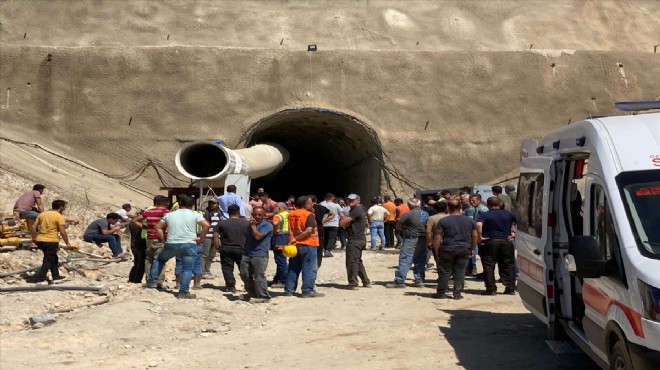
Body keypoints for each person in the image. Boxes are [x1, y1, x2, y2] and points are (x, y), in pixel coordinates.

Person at [147, 196, 210, 299]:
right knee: (187, 268)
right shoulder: (195, 214)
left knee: (159, 260)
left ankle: (152, 281)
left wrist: (163, 240)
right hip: (189, 244)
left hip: (172, 243)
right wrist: (200, 238)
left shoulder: (170, 215)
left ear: (180, 204)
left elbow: (157, 227)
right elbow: (206, 225)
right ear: (192, 205)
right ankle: (183, 292)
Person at [433, 198, 477, 299]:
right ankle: (457, 293)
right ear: (460, 207)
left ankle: (441, 292)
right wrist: (472, 248)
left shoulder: (443, 220)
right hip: (464, 248)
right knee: (460, 271)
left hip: (448, 247)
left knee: (445, 270)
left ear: (448, 208)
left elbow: (437, 236)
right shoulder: (470, 221)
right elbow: (474, 236)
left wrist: (436, 250)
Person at [476, 197, 517, 295]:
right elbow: (523, 222)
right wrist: (516, 233)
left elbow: (478, 224)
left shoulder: (485, 215)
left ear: (487, 205)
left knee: (489, 265)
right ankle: (510, 288)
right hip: (506, 241)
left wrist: (480, 236)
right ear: (499, 204)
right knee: (508, 264)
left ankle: (491, 289)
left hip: (490, 241)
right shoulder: (508, 214)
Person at [285, 196, 324, 298]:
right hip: (308, 244)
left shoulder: (292, 214)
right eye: (311, 203)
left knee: (293, 267)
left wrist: (294, 240)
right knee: (310, 268)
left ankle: (289, 290)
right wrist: (297, 238)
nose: (312, 205)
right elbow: (308, 230)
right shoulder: (308, 215)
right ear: (306, 204)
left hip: (294, 245)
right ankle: (307, 290)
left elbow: (291, 228)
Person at [387, 198, 429, 288]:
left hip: (410, 239)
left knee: (405, 259)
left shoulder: (408, 214)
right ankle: (419, 280)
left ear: (409, 206)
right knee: (420, 260)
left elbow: (398, 226)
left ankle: (400, 281)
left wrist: (405, 228)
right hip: (422, 239)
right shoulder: (425, 214)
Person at [28, 199, 72, 283]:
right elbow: (62, 231)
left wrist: (34, 237)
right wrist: (67, 243)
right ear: (61, 207)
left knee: (53, 258)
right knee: (49, 260)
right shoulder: (59, 216)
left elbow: (33, 227)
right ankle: (40, 277)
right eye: (65, 206)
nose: (65, 208)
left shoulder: (42, 214)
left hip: (40, 240)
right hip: (51, 241)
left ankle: (56, 275)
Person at [132, 195, 170, 287]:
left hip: (149, 238)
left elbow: (135, 220)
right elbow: (169, 221)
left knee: (149, 259)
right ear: (166, 203)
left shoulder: (148, 211)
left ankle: (149, 279)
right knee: (160, 259)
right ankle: (158, 281)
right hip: (160, 238)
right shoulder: (165, 211)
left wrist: (145, 227)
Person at [213, 204, 249, 293]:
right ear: (239, 212)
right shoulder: (246, 223)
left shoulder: (222, 223)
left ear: (228, 212)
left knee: (227, 268)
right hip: (242, 248)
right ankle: (248, 285)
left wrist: (217, 247)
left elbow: (215, 236)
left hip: (226, 248)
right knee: (243, 268)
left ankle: (231, 286)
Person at [240, 206, 273, 301]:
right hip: (247, 253)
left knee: (259, 275)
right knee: (244, 274)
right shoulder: (248, 225)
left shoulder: (267, 225)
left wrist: (253, 226)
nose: (257, 216)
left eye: (260, 215)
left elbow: (258, 236)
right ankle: (252, 293)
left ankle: (263, 296)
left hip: (260, 254)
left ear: (264, 216)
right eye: (255, 214)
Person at [340, 194, 371, 289]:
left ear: (358, 200)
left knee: (351, 262)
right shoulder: (362, 209)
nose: (350, 201)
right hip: (361, 238)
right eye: (349, 200)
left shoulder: (356, 210)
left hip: (355, 239)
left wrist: (342, 218)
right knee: (357, 261)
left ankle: (353, 283)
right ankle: (366, 281)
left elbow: (342, 223)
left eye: (352, 200)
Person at [464, 194, 489, 276]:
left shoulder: (483, 210)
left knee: (484, 255)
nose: (471, 202)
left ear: (479, 200)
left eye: (473, 200)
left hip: (482, 234)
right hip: (476, 233)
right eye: (470, 200)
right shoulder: (475, 209)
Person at [269, 202, 289, 288]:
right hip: (287, 237)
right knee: (281, 258)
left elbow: (275, 223)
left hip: (280, 237)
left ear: (279, 208)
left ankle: (283, 280)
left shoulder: (278, 216)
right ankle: (277, 278)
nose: (274, 209)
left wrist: (273, 230)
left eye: (275, 207)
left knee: (280, 260)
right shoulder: (288, 214)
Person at [201, 199, 221, 279]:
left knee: (211, 255)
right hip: (207, 236)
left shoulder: (220, 213)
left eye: (213, 203)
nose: (211, 205)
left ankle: (207, 270)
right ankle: (202, 271)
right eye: (210, 203)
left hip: (215, 237)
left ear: (217, 204)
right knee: (204, 254)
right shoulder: (205, 212)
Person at [309, 195, 331, 267]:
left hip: (311, 228)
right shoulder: (322, 207)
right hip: (320, 227)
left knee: (311, 244)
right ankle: (318, 263)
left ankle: (311, 262)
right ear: (316, 200)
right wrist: (324, 221)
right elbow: (332, 214)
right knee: (320, 245)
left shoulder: (308, 208)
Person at [319, 193, 343, 257]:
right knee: (332, 238)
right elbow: (341, 215)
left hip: (324, 224)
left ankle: (325, 249)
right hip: (334, 224)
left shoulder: (321, 204)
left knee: (325, 237)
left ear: (325, 198)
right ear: (332, 198)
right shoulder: (337, 205)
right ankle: (328, 250)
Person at [128, 208, 147, 283]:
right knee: (141, 263)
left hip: (133, 244)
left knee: (136, 262)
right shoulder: (139, 225)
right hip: (140, 244)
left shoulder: (132, 223)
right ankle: (137, 279)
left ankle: (132, 278)